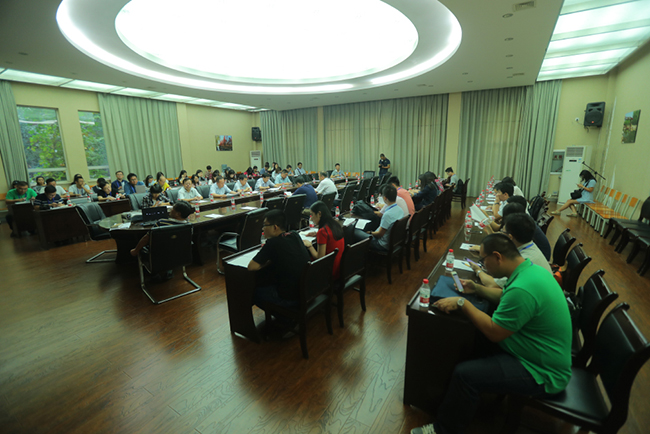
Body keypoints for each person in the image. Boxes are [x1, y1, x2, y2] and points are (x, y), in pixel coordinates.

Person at [411, 233, 571, 434]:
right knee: (468, 340)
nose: (483, 266)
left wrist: (463, 303)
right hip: (531, 349)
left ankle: (444, 429)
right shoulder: (530, 270)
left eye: (484, 260)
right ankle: (450, 398)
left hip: (542, 371)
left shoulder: (523, 289)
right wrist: (477, 289)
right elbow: (505, 296)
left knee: (465, 375)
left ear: (497, 257)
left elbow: (495, 332)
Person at [248, 210, 310, 318]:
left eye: (265, 225)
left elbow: (251, 267)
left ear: (275, 227)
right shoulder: (295, 235)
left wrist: (266, 260)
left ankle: (285, 318)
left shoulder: (272, 243)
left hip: (290, 298)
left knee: (254, 293)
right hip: (305, 291)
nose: (263, 229)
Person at [468, 213, 553, 291]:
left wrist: (478, 270)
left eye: (502, 232)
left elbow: (493, 285)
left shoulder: (522, 261)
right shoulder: (529, 246)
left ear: (510, 237)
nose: (501, 234)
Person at [303, 201, 345, 279]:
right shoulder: (335, 224)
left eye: (312, 215)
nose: (311, 218)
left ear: (319, 214)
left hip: (328, 271)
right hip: (339, 267)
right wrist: (317, 234)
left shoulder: (322, 231)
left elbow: (320, 257)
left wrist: (310, 246)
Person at [358, 185, 404, 251]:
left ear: (385, 198)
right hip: (394, 242)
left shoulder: (387, 215)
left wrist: (370, 232)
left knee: (356, 232)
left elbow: (380, 234)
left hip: (382, 244)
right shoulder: (400, 210)